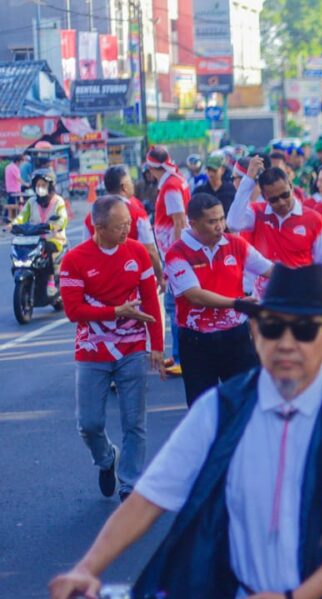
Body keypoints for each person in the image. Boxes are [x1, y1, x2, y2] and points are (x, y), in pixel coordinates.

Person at [48, 264, 322, 599]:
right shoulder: (220, 409)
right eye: (273, 327)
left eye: (304, 330)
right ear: (254, 332)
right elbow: (149, 497)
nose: (286, 343)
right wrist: (87, 568)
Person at [58, 196, 164, 504]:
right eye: (120, 226)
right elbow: (74, 311)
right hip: (92, 351)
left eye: (129, 224)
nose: (127, 231)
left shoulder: (137, 252)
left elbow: (150, 302)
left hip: (133, 348)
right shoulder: (75, 260)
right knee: (89, 424)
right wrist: (116, 311)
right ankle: (106, 459)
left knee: (135, 422)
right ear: (99, 227)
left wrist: (157, 346)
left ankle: (130, 483)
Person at [164, 193, 273, 405]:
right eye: (212, 221)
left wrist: (305, 281)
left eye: (222, 219)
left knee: (246, 405)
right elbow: (195, 295)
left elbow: (269, 269)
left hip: (236, 339)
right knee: (203, 409)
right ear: (193, 223)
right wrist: (236, 303)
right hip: (197, 343)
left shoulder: (236, 243)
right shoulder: (177, 253)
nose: (220, 226)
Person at [227, 156, 322, 294]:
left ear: (291, 186)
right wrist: (248, 181)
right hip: (264, 298)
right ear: (264, 197)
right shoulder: (257, 212)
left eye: (285, 195)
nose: (282, 202)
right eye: (274, 199)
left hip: (300, 296)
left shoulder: (313, 219)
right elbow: (233, 223)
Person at [146, 147, 191, 376]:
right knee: (175, 306)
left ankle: (182, 358)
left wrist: (174, 258)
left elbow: (179, 221)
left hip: (174, 256)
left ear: (153, 168)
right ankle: (177, 354)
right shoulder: (175, 180)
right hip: (174, 254)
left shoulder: (171, 186)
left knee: (174, 307)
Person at [85, 166, 164, 288]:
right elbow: (150, 251)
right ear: (124, 186)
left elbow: (87, 251)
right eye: (130, 181)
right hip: (131, 281)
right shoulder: (137, 213)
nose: (133, 184)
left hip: (102, 283)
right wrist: (160, 277)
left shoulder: (90, 217)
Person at [4, 153, 26, 223]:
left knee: (10, 203)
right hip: (14, 189)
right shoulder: (14, 168)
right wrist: (26, 184)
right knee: (14, 204)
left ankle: (7, 217)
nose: (22, 163)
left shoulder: (8, 167)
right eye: (21, 161)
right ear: (18, 161)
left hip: (10, 188)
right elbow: (18, 178)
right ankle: (11, 219)